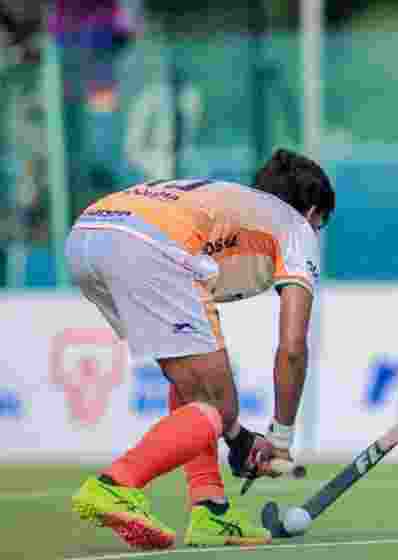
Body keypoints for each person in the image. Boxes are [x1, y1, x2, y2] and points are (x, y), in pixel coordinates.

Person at [67, 148, 334, 550]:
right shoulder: (294, 225)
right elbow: (293, 347)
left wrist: (238, 437)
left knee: (201, 392)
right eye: (321, 226)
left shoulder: (233, 206)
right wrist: (280, 436)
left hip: (88, 234)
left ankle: (211, 508)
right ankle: (116, 484)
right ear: (312, 213)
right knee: (219, 405)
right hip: (148, 246)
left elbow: (190, 370)